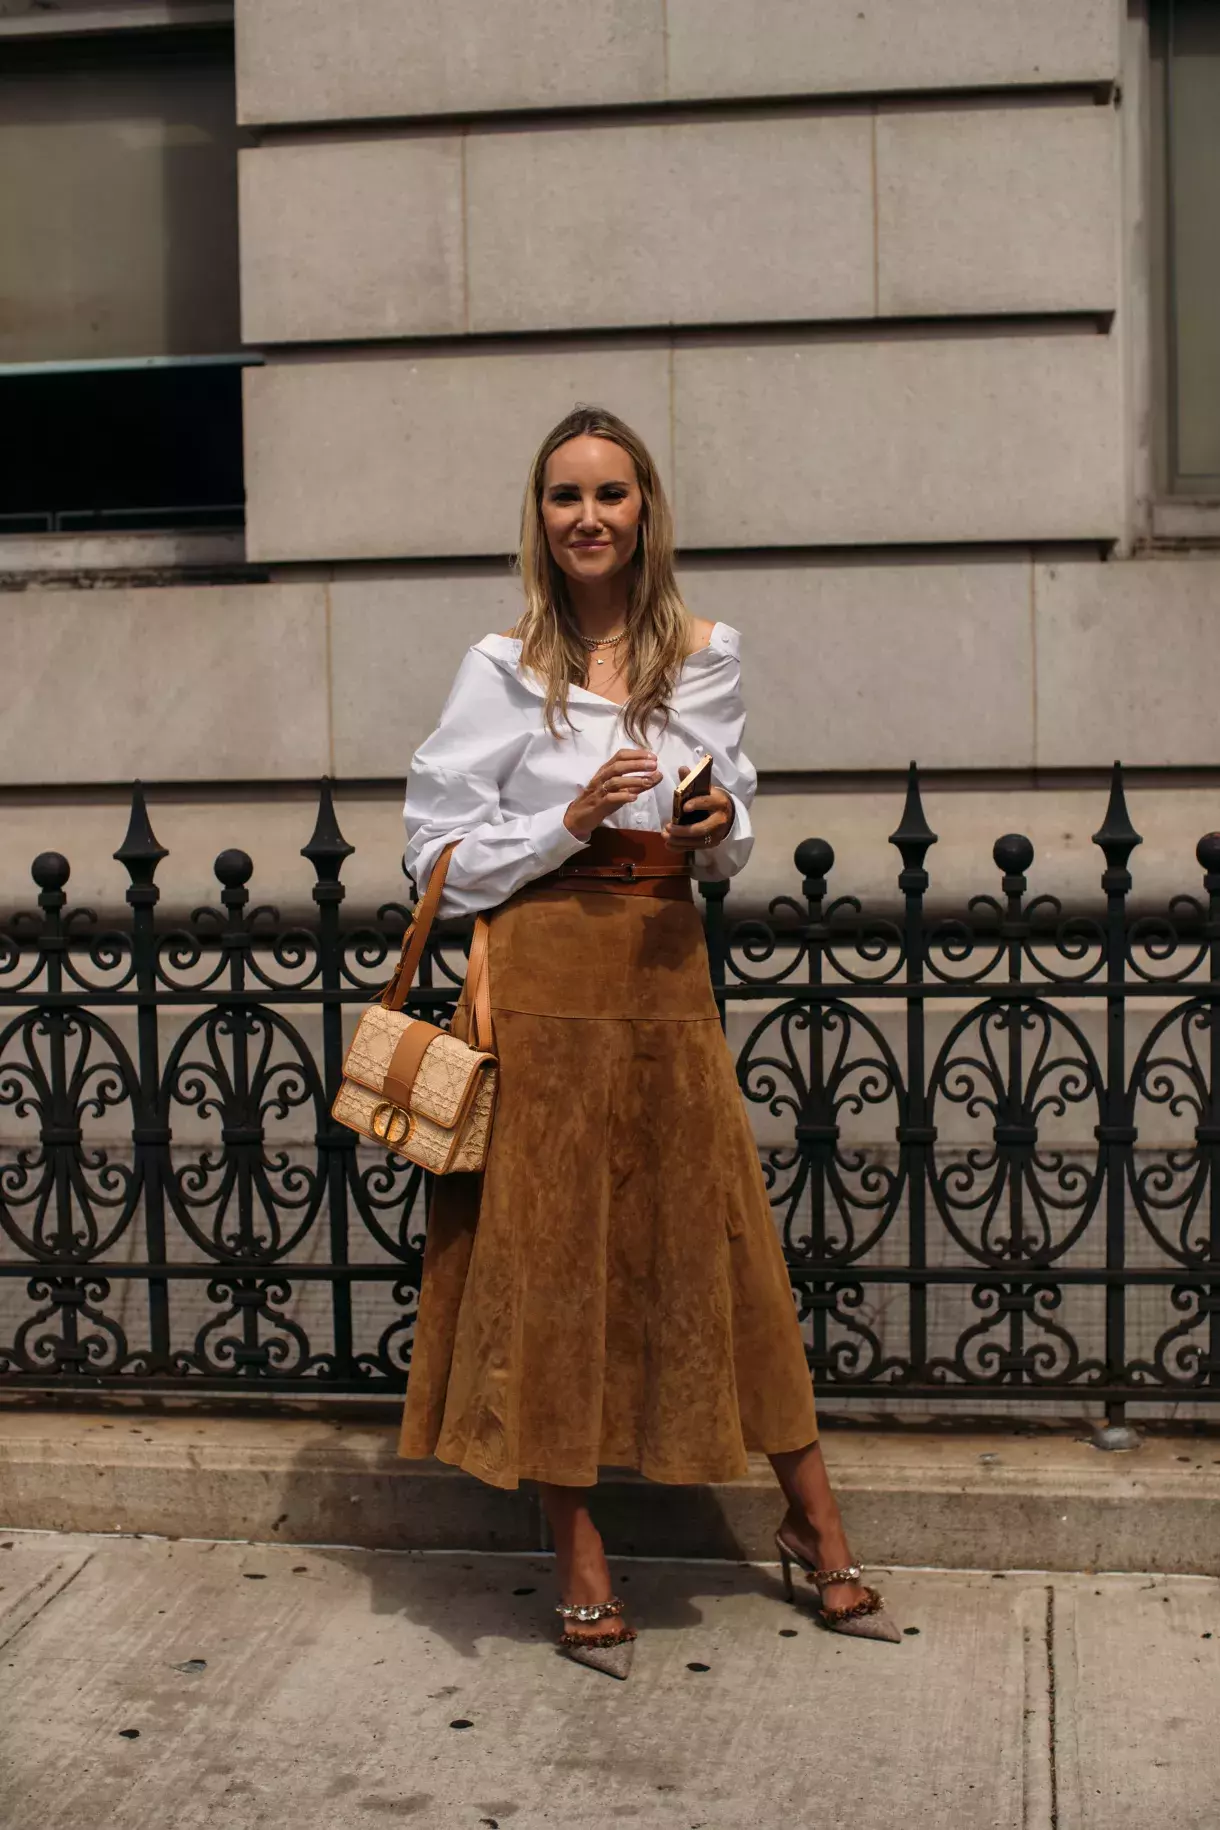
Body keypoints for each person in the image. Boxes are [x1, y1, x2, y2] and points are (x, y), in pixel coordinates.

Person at [397, 405, 899, 1677]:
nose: (587, 517)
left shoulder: (705, 656)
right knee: (548, 1259)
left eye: (609, 494)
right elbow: (432, 859)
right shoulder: (499, 667)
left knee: (721, 1245)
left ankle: (812, 1517)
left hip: (666, 972)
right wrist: (563, 823)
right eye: (564, 495)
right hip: (543, 978)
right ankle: (577, 1556)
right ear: (539, 515)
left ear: (644, 511)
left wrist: (717, 823)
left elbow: (727, 828)